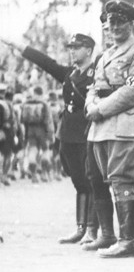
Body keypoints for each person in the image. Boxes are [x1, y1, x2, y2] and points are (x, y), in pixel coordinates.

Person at [1, 34, 99, 243]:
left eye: (77, 47)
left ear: (89, 50)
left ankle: (92, 230)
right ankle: (80, 228)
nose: (72, 51)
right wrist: (15, 44)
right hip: (68, 134)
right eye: (70, 47)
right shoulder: (68, 73)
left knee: (91, 180)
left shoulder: (98, 73)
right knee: (78, 181)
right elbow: (44, 61)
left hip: (88, 132)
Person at [84, 0, 134, 258]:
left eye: (119, 22)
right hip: (102, 125)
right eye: (109, 23)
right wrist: (91, 104)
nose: (113, 27)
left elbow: (132, 91)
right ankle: (109, 236)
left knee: (123, 178)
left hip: (126, 122)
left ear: (130, 23)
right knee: (106, 179)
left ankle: (128, 241)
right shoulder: (105, 55)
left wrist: (99, 109)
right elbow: (94, 86)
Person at [19, 86, 54, 184]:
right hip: (42, 130)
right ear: (41, 93)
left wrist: (25, 134)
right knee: (45, 151)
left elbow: (22, 120)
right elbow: (48, 120)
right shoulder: (44, 104)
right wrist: (50, 135)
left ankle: (34, 175)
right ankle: (43, 173)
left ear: (34, 92)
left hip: (30, 130)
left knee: (32, 151)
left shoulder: (26, 103)